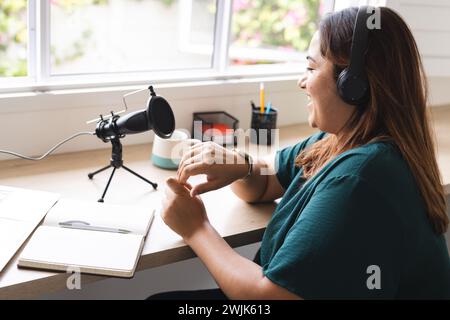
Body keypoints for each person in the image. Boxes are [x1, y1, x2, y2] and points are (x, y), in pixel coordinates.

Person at [149, 6, 450, 300]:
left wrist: (196, 227)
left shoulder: (361, 178)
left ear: (354, 85)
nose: (301, 81)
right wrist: (241, 166)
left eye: (310, 67)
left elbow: (270, 296)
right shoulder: (341, 141)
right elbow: (267, 182)